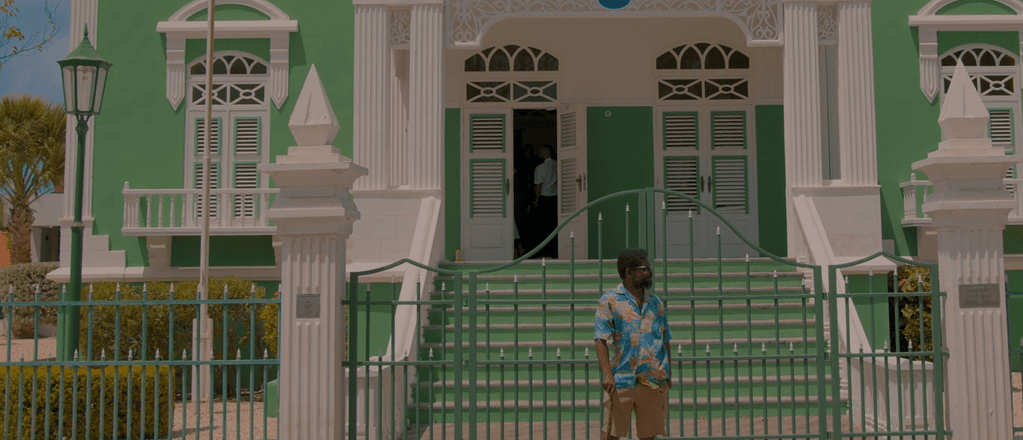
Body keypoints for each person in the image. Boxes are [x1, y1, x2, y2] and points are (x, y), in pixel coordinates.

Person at [595, 248, 673, 440]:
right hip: (621, 380)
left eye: (649, 267)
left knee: (649, 436)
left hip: (653, 380)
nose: (649, 272)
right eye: (644, 268)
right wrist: (607, 374)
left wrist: (668, 373)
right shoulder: (610, 300)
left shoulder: (655, 302)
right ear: (629, 272)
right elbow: (600, 339)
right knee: (611, 435)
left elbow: (665, 339)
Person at [532, 144, 557, 258]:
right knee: (553, 225)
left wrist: (536, 200)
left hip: (545, 199)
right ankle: (554, 251)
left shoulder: (540, 168)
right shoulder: (557, 164)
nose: (539, 153)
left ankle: (544, 251)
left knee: (543, 227)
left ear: (547, 151)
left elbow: (538, 186)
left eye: (541, 150)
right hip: (555, 199)